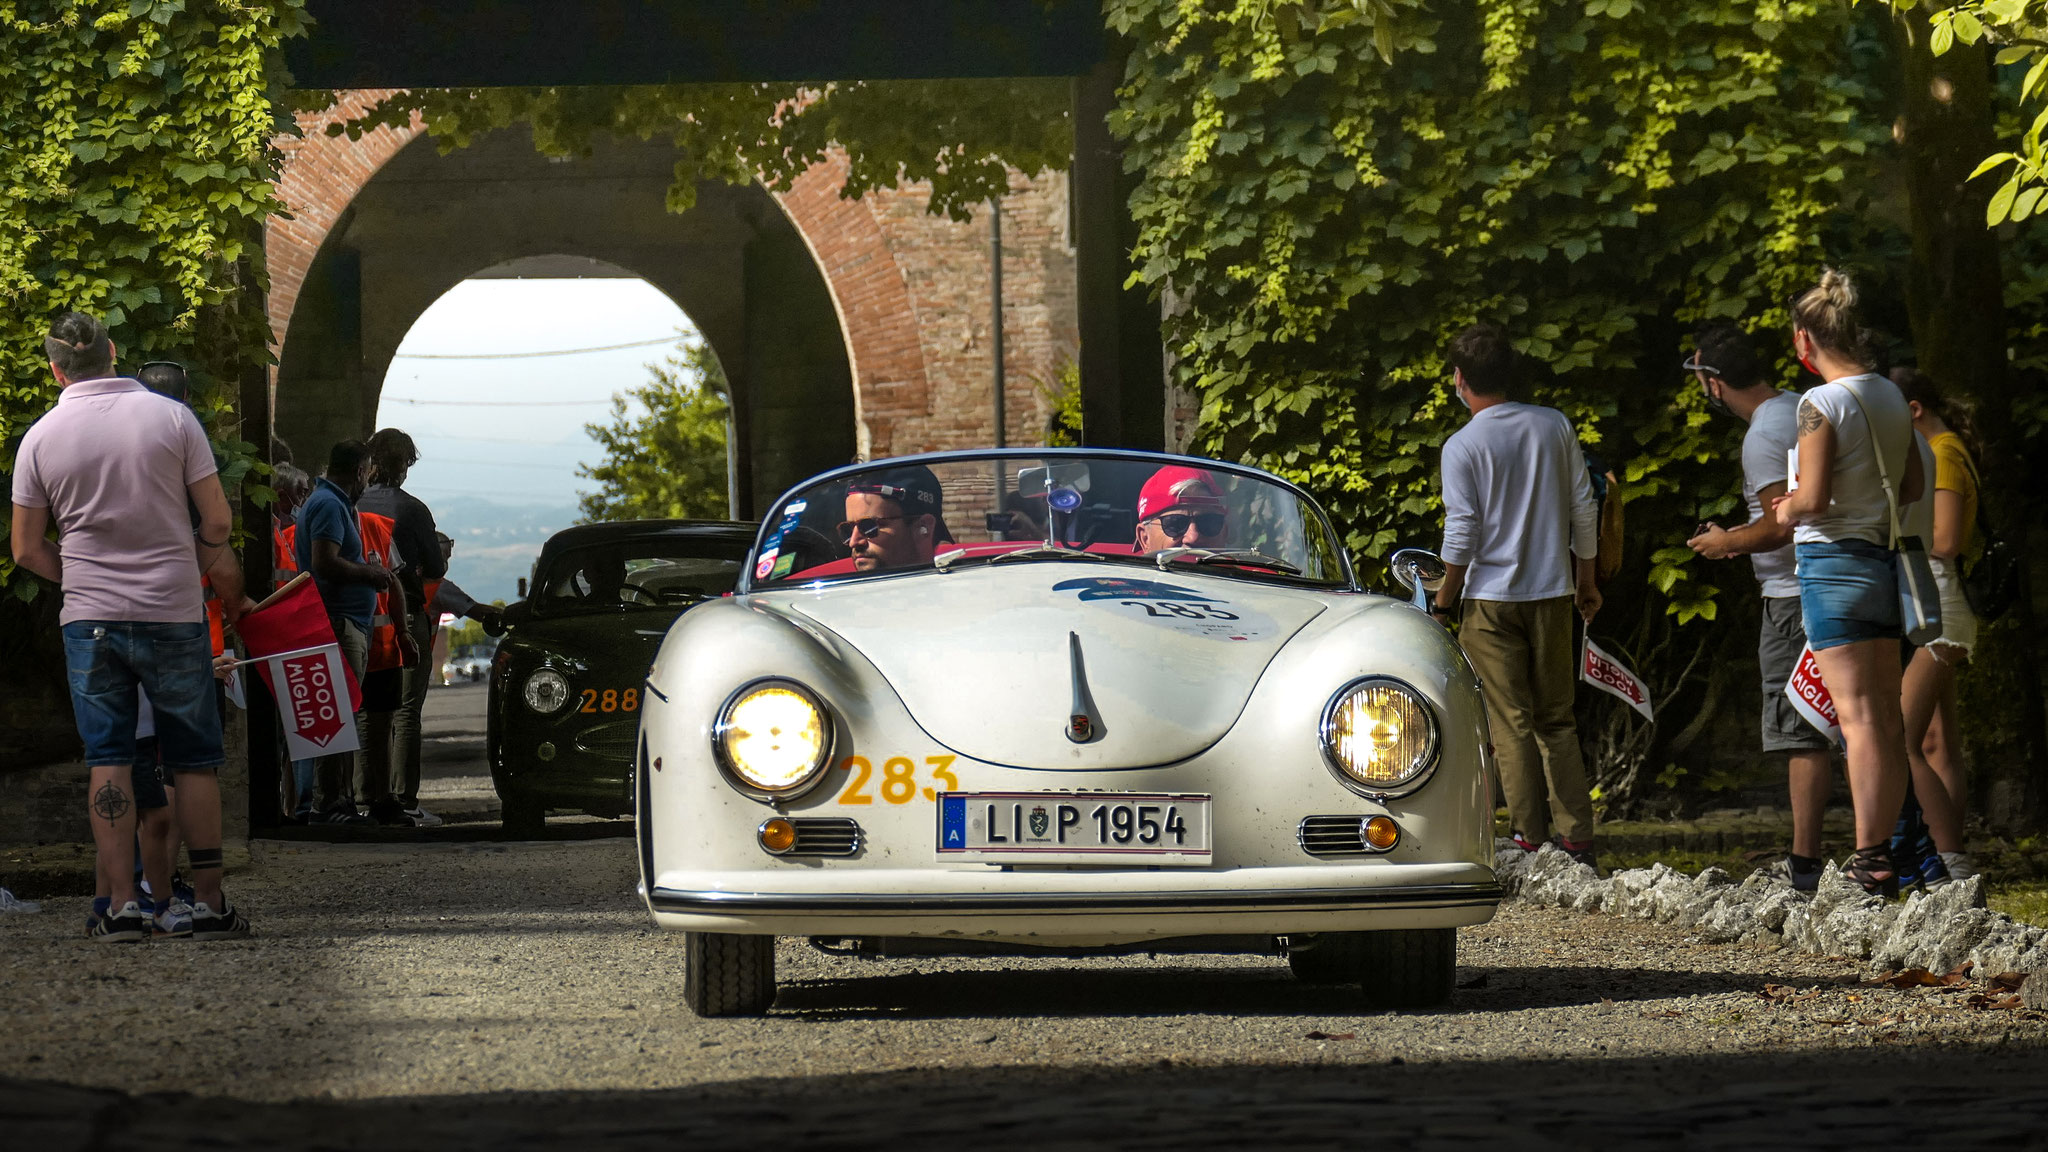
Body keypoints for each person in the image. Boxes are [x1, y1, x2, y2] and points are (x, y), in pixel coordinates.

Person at [9, 311, 251, 941]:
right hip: (172, 612)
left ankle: (121, 906)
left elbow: (27, 550)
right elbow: (219, 523)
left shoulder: (40, 437)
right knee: (194, 760)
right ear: (113, 351)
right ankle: (208, 901)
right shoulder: (173, 419)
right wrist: (186, 565)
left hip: (90, 620)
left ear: (56, 369)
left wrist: (85, 581)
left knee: (108, 756)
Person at [1771, 270, 1924, 898]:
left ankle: (1868, 858)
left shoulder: (1818, 404)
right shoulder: (1889, 395)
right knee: (1884, 719)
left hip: (1833, 567)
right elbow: (1912, 487)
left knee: (1856, 720)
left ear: (1805, 340)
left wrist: (1783, 509)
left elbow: (1812, 498)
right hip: (1887, 565)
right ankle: (1881, 850)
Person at [1430, 323, 1604, 869]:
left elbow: (1462, 533)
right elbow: (1584, 507)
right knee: (1558, 718)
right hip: (1553, 591)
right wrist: (1588, 580)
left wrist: (1442, 602)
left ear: (1459, 379)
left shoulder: (1463, 445)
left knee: (1511, 721)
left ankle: (1529, 836)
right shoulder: (1553, 426)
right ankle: (1578, 838)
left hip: (1489, 598)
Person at [1683, 322, 1838, 893]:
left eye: (1702, 379)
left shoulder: (1762, 434)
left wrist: (1726, 542)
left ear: (1715, 383)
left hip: (1791, 597)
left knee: (1801, 729)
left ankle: (1804, 866)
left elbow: (1780, 523)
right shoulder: (1802, 407)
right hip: (1832, 581)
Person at [295, 439, 412, 824]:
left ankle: (339, 800)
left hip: (343, 622)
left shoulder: (332, 503)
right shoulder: (330, 504)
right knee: (339, 715)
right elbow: (325, 563)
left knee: (340, 714)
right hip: (340, 622)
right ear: (360, 469)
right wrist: (372, 573)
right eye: (366, 472)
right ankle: (331, 803)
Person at [1894, 366, 1980, 882]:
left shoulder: (1942, 452)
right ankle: (1954, 853)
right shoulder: (1949, 448)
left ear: (1913, 410)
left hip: (1940, 610)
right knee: (1937, 741)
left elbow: (1945, 540)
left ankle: (1947, 858)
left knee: (1901, 739)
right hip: (1946, 610)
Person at [358, 428, 446, 826]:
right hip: (406, 611)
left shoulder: (351, 504)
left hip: (360, 615)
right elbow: (437, 566)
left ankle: (364, 794)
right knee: (406, 711)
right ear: (403, 466)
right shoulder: (413, 511)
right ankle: (403, 798)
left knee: (364, 708)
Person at [841, 467, 944, 572]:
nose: (853, 542)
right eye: (847, 530)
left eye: (869, 527)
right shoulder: (833, 584)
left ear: (924, 526)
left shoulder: (957, 583)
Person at [1133, 466, 1230, 553]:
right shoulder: (1121, 572)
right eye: (1176, 524)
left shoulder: (1240, 572)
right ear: (1145, 539)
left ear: (1224, 533)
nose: (1193, 537)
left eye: (1208, 523)